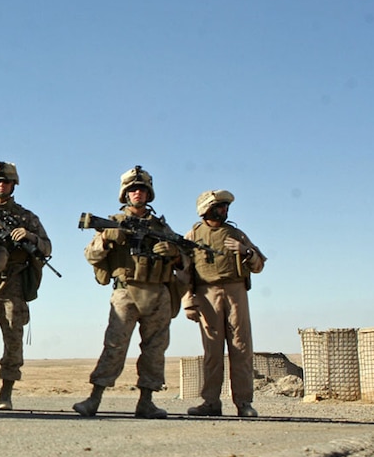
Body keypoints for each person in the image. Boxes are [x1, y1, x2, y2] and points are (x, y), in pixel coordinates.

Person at [73, 166, 180, 419]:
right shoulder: (114, 223)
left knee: (155, 349)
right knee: (114, 345)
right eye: (133, 189)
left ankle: (147, 402)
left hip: (158, 293)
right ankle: (94, 399)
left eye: (142, 189)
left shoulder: (161, 227)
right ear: (125, 194)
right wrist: (106, 240)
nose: (137, 193)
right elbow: (90, 255)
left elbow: (184, 260)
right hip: (126, 292)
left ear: (149, 193)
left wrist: (174, 253)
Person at [182, 190, 267, 418]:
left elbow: (258, 265)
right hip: (206, 294)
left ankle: (244, 403)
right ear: (207, 209)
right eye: (220, 206)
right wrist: (188, 301)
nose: (224, 210)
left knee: (241, 348)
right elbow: (183, 271)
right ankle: (210, 402)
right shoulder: (193, 236)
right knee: (212, 351)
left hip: (236, 292)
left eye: (225, 207)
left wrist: (246, 252)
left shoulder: (236, 234)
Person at [0, 161, 52, 410]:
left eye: (6, 181)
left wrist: (29, 236)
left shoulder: (26, 217)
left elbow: (47, 247)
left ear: (13, 185)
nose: (1, 185)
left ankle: (5, 393)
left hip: (13, 284)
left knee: (13, 339)